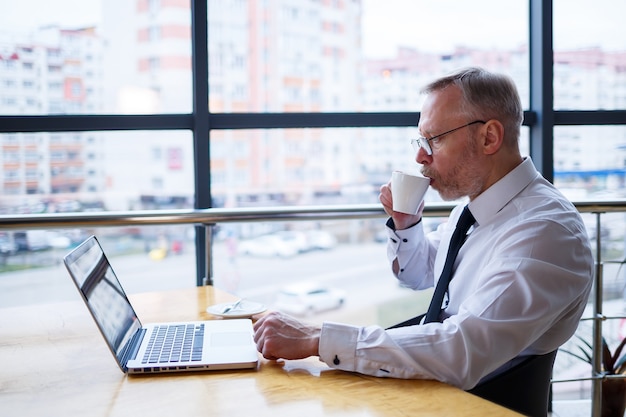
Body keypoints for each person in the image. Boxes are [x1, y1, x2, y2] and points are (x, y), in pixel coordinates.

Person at [253, 67, 593, 390]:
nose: (420, 156)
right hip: (434, 392)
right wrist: (407, 224)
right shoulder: (473, 209)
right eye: (420, 140)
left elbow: (460, 349)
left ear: (489, 137)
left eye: (434, 139)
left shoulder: (544, 232)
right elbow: (420, 273)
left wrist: (317, 337)